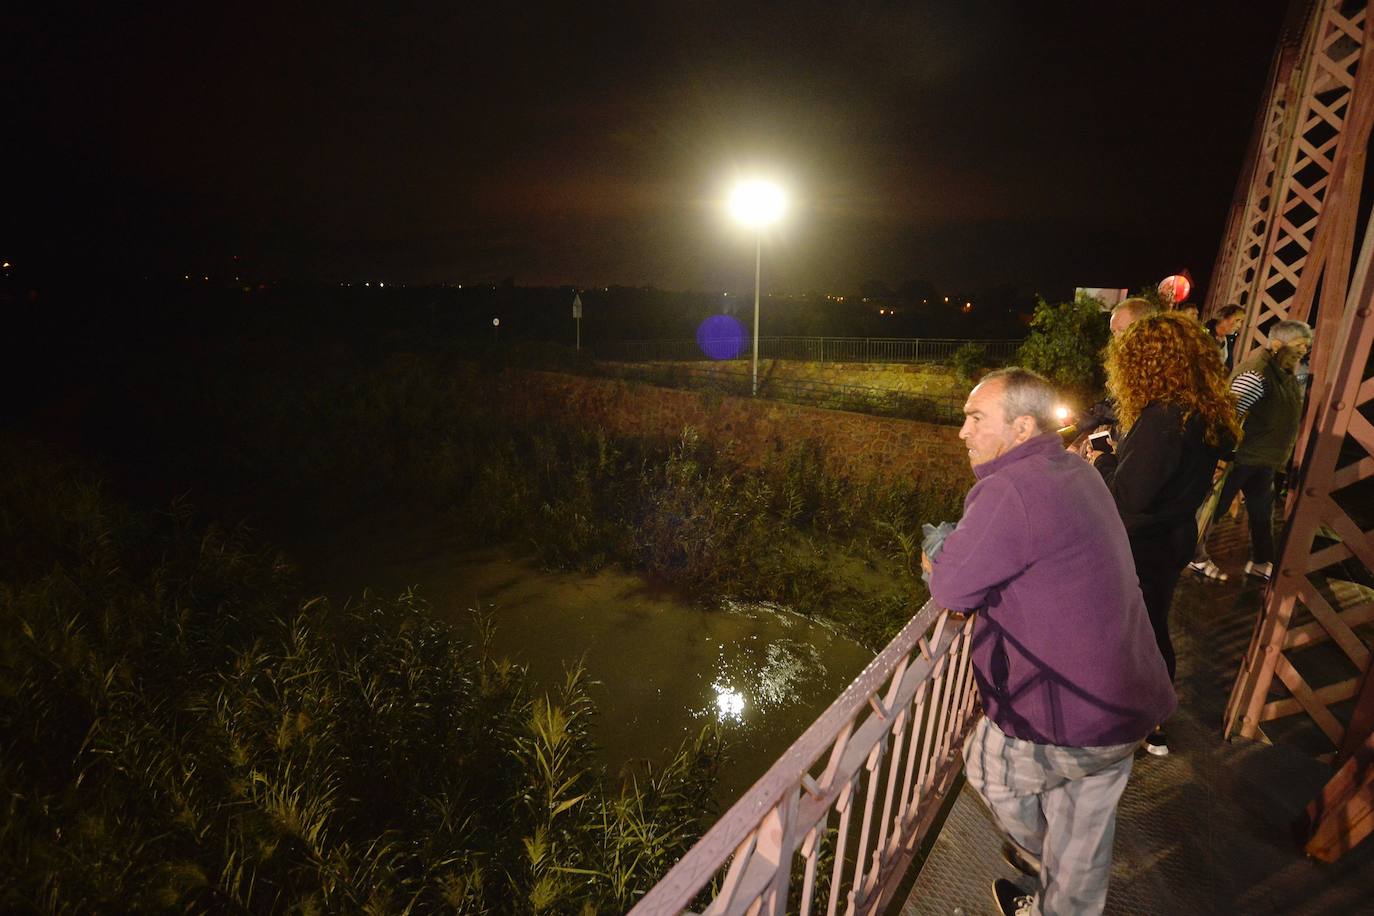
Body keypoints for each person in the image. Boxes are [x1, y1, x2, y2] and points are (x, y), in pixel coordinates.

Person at [925, 367, 1175, 916]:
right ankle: (1063, 895)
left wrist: (936, 557)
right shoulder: (1078, 469)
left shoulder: (1009, 488)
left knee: (987, 769)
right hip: (1130, 698)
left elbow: (950, 589)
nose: (963, 431)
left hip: (1068, 710)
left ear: (1021, 427)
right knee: (1085, 828)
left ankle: (1045, 858)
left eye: (976, 418)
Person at [1088, 313, 1242, 757]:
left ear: (1147, 363)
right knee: (1152, 625)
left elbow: (1129, 497)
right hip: (1173, 534)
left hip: (1143, 544)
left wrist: (1101, 458)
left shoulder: (1164, 417)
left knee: (1135, 633)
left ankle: (1138, 719)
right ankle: (1152, 720)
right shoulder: (1200, 410)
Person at [1192, 319, 1313, 582]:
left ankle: (1261, 560)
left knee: (1261, 511)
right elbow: (1229, 416)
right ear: (1277, 344)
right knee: (1214, 509)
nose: (1304, 351)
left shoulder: (1284, 373)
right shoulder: (1257, 374)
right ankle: (1194, 555)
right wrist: (1220, 459)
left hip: (1262, 458)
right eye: (1299, 345)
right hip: (1241, 457)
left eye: (1306, 346)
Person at [1205, 304, 1247, 371]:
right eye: (1237, 320)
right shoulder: (1204, 334)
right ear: (1224, 318)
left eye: (1241, 322)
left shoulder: (1228, 340)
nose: (1239, 325)